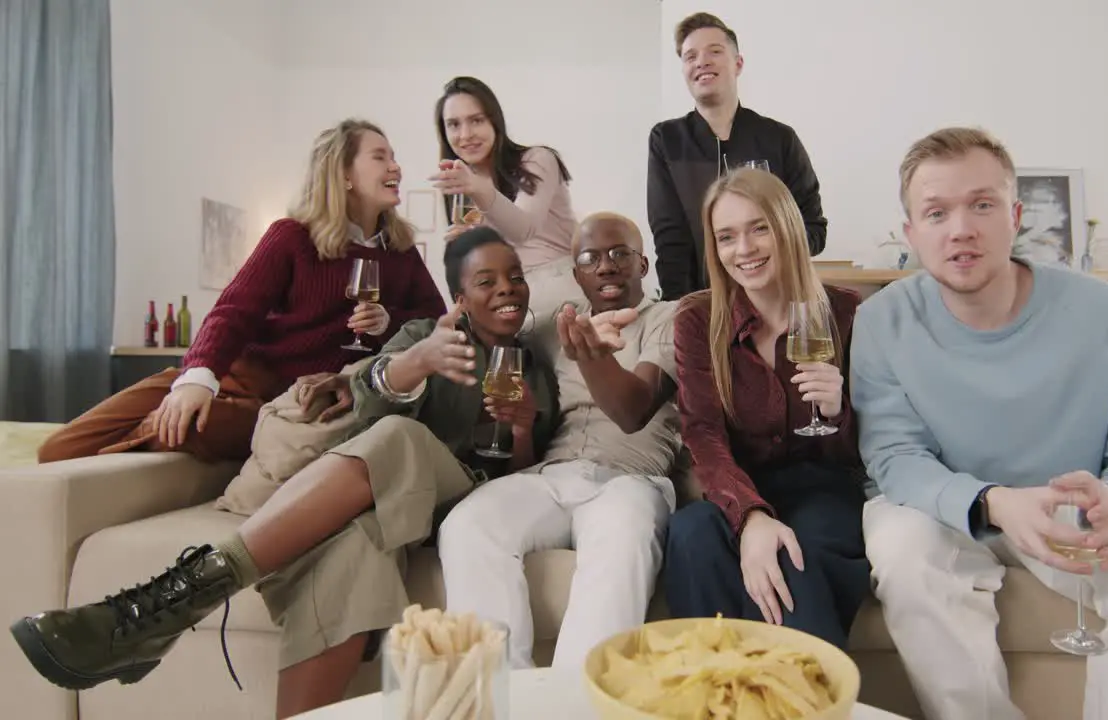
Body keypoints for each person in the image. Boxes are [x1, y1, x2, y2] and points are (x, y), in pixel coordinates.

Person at [10, 228, 558, 719]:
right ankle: (168, 619)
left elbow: (523, 484)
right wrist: (419, 361)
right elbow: (362, 406)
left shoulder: (536, 366)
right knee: (351, 551)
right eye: (486, 281)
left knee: (402, 439)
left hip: (465, 502)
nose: (507, 288)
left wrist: (523, 428)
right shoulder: (422, 336)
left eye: (514, 278)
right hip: (390, 501)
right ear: (459, 299)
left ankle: (172, 601)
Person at [851, 127, 1108, 720]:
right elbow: (894, 460)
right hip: (950, 513)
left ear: (1014, 216)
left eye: (982, 205)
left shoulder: (1107, 312)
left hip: (1073, 515)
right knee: (902, 547)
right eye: (937, 212)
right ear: (911, 234)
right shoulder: (881, 319)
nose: (961, 228)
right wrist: (995, 502)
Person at [38, 119, 446, 464]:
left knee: (201, 426)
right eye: (381, 156)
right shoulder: (291, 237)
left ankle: (153, 432)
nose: (396, 166)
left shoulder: (402, 254)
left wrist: (390, 320)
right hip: (237, 373)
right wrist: (197, 379)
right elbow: (234, 310)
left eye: (393, 157)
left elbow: (434, 322)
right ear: (343, 173)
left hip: (286, 403)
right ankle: (167, 414)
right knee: (59, 449)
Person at [438, 212, 680, 671]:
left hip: (632, 479)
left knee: (622, 534)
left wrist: (590, 355)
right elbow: (488, 323)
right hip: (551, 474)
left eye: (619, 254)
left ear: (643, 266)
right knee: (467, 524)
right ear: (576, 275)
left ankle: (573, 701)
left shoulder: (672, 319)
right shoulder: (553, 325)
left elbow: (634, 410)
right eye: (590, 258)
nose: (605, 266)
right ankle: (500, 696)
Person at [661, 168, 870, 652]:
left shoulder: (844, 313)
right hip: (738, 482)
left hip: (825, 487)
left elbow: (863, 448)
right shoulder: (698, 319)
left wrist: (838, 410)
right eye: (726, 237)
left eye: (759, 228)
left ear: (788, 228)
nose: (745, 249)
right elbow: (703, 434)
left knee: (799, 553)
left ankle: (800, 695)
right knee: (691, 534)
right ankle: (710, 691)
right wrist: (751, 516)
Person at [647, 12, 827, 301]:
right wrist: (678, 309)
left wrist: (761, 252)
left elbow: (814, 230)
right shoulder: (667, 140)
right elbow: (669, 240)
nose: (701, 61)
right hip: (701, 305)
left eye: (714, 52)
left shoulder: (779, 138)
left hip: (777, 303)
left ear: (738, 63)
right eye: (690, 56)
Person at [429, 76, 584, 352]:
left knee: (572, 393)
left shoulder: (537, 159)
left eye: (476, 120)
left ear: (494, 121)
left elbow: (523, 230)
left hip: (556, 292)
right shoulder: (461, 186)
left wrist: (479, 189)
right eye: (454, 124)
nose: (465, 135)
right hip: (501, 304)